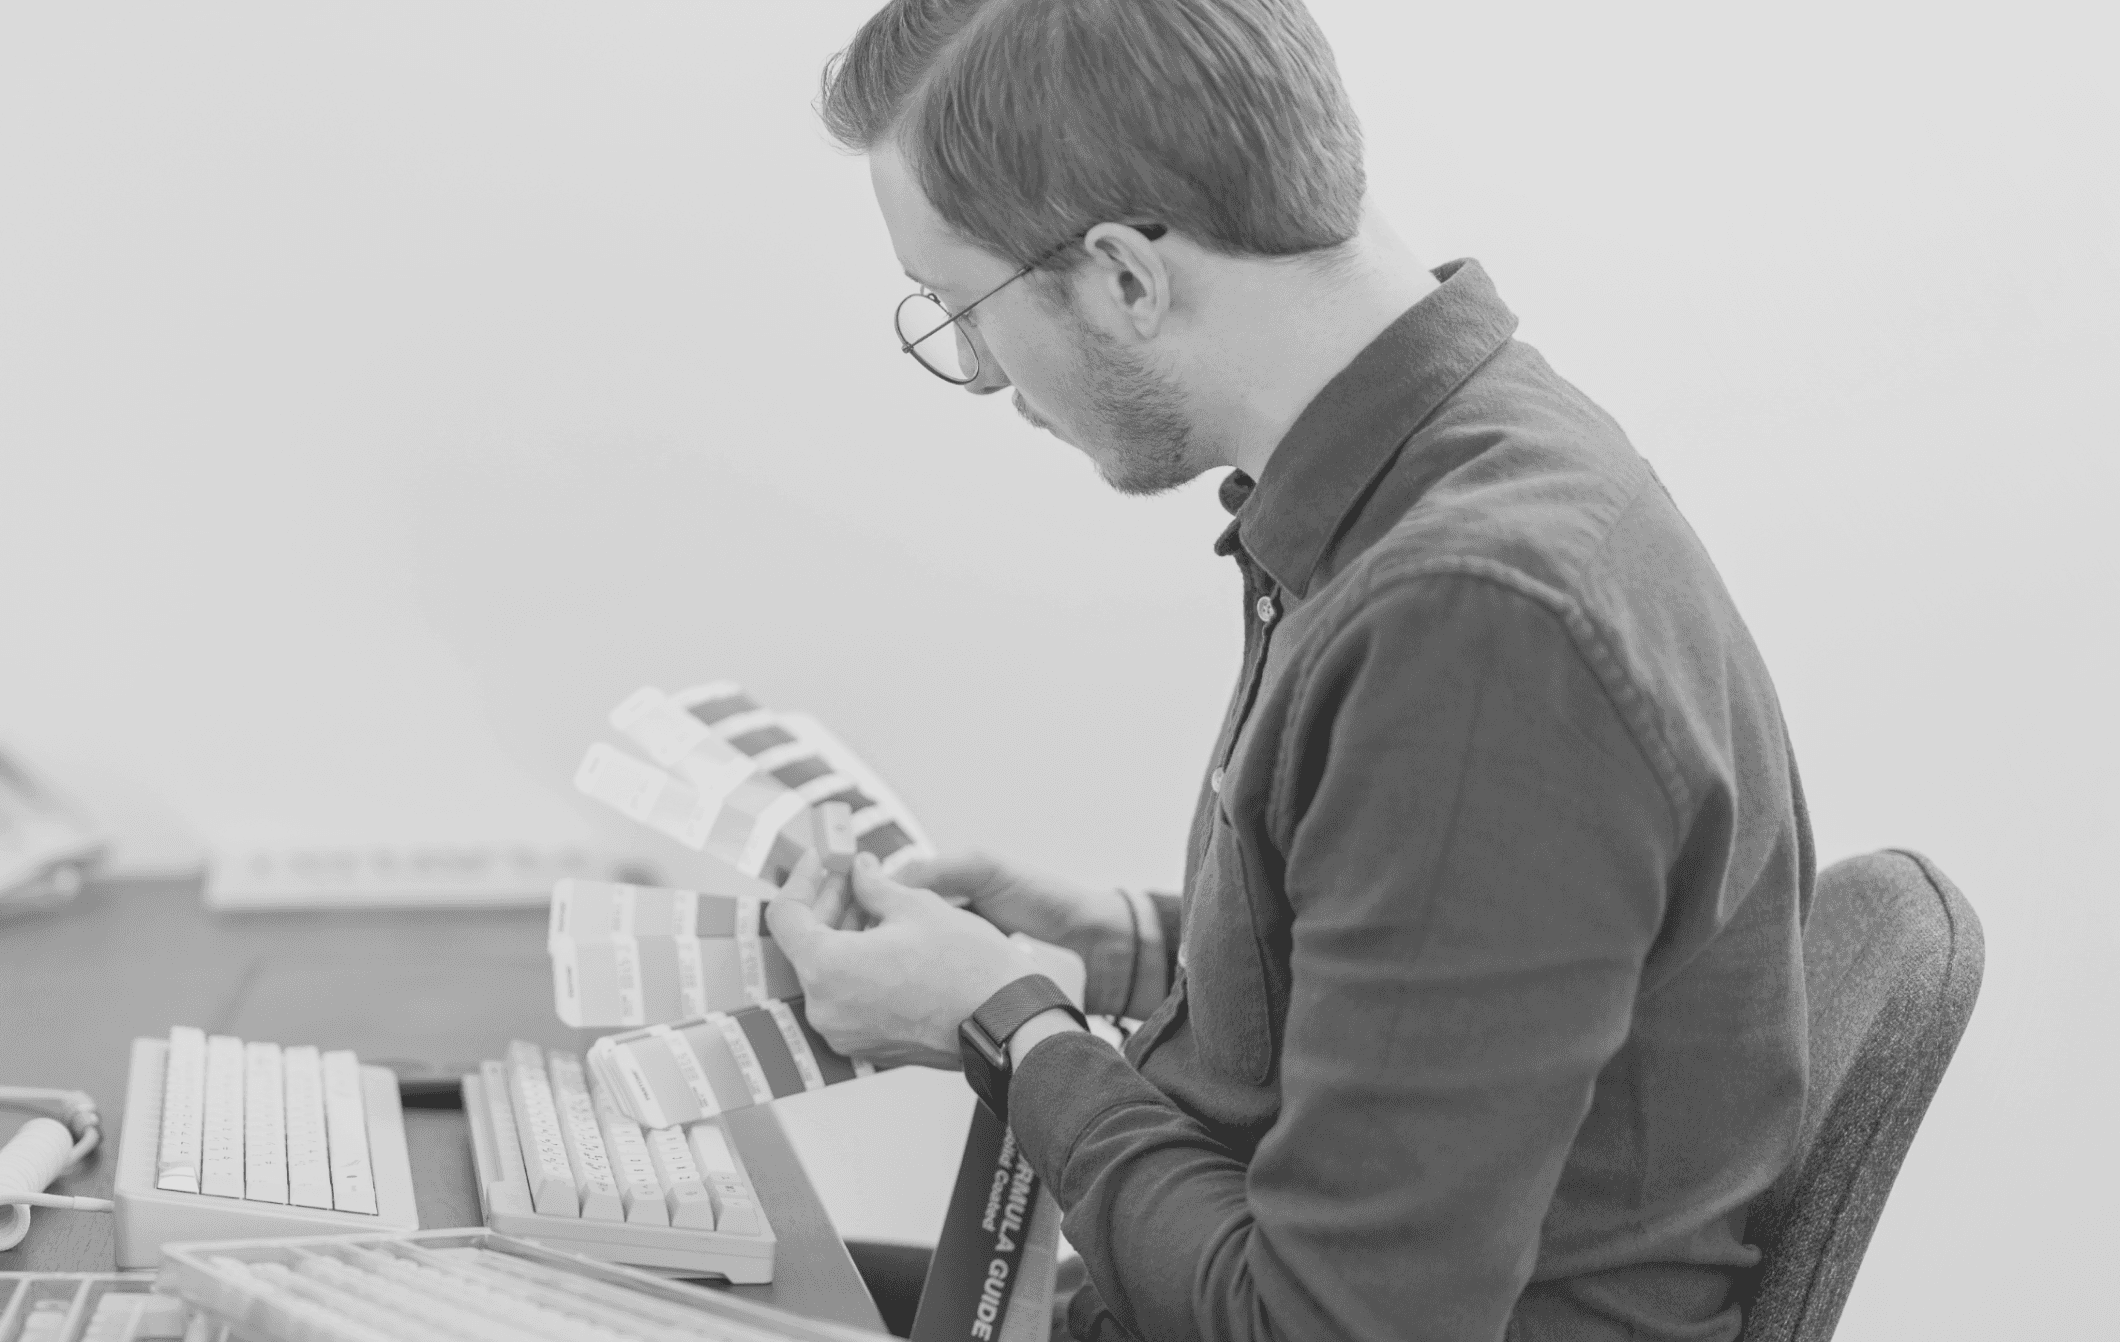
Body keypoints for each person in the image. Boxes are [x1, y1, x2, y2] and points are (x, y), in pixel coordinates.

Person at [756, 1, 1820, 1340]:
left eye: (962, 308)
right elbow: (1430, 990)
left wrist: (1004, 1023)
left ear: (1125, 278)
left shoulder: (1479, 622)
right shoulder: (1463, 462)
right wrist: (1124, 940)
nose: (977, 369)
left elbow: (1327, 1322)